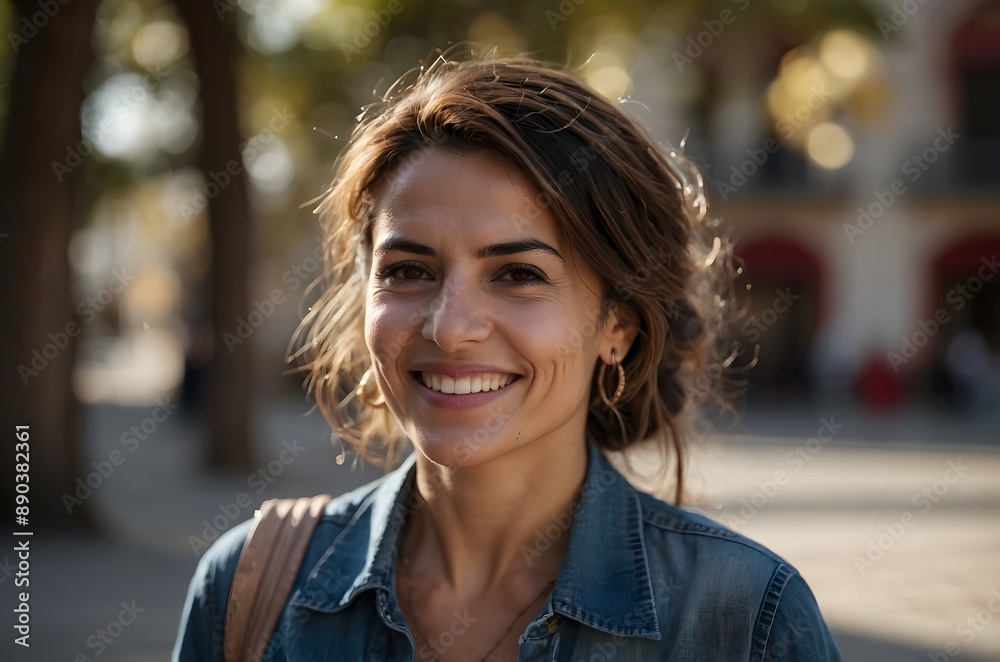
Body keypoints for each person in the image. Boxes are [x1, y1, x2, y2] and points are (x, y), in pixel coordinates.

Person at [174, 53, 843, 661]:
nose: (451, 326)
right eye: (409, 271)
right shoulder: (247, 592)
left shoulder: (747, 620)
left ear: (621, 326)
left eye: (518, 274)